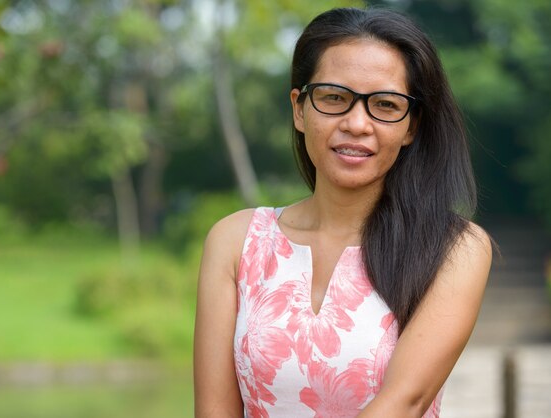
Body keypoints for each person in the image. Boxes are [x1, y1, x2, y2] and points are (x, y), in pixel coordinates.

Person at [194, 7, 492, 418]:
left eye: (385, 105)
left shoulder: (454, 249)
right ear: (300, 109)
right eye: (335, 98)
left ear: (411, 126)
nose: (356, 123)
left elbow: (403, 404)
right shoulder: (235, 241)